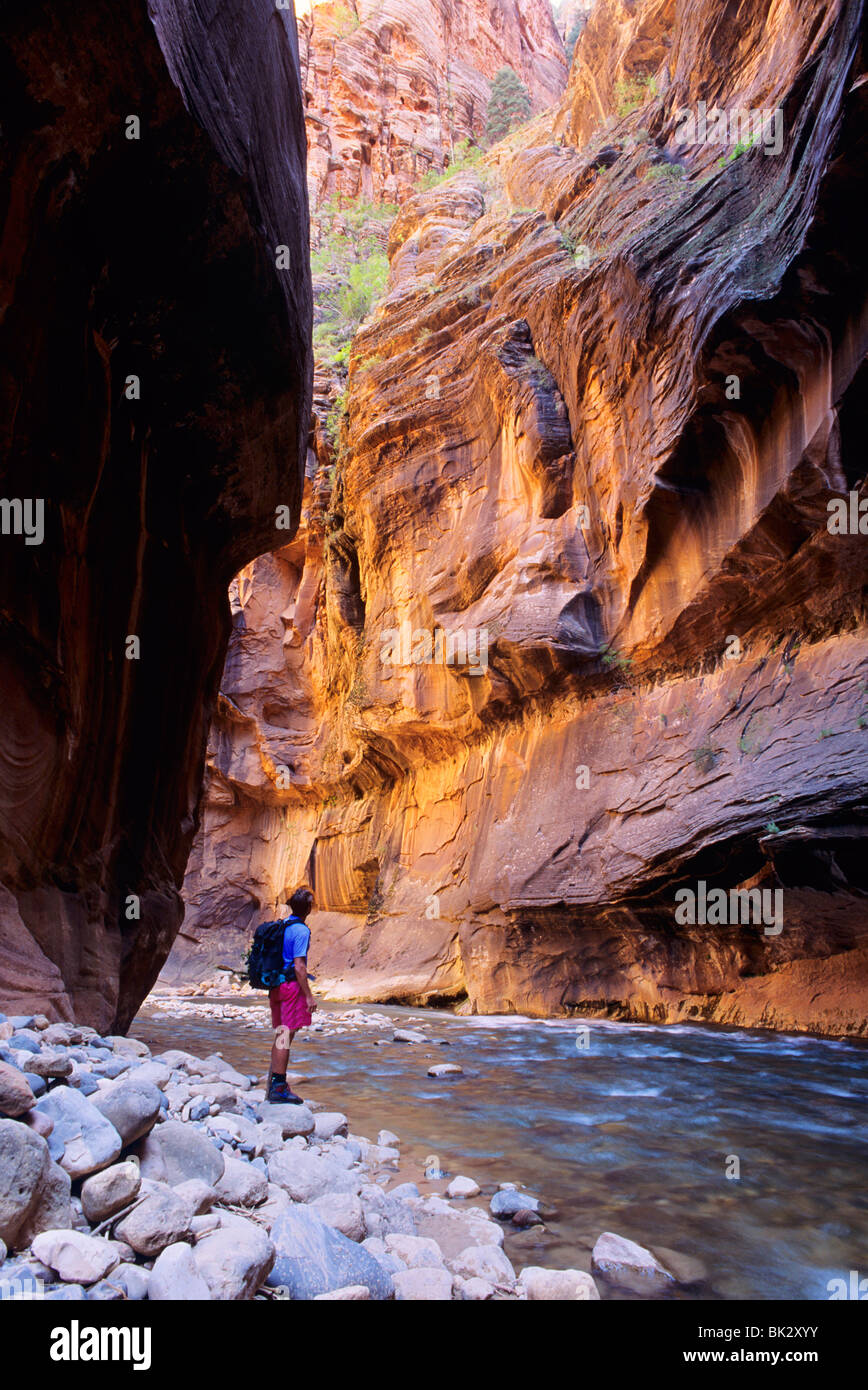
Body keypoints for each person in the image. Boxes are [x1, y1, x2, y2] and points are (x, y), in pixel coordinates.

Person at [267, 885, 317, 1104]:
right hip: (290, 987)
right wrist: (309, 996)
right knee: (286, 1035)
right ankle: (278, 1088)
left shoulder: (283, 925)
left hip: (277, 985)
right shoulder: (301, 931)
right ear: (308, 908)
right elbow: (299, 967)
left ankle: (273, 1084)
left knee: (281, 1034)